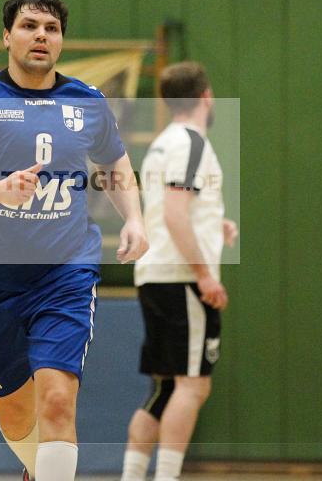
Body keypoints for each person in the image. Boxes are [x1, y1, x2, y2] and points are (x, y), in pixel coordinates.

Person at [0, 0, 148, 481]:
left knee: (58, 401)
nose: (41, 35)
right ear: (7, 36)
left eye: (51, 28)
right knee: (15, 418)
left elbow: (114, 163)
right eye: (29, 26)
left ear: (61, 40)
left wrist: (134, 217)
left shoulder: (86, 100)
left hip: (66, 272)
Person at [121, 62, 237, 481]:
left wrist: (214, 222)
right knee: (193, 385)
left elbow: (172, 207)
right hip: (180, 278)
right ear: (206, 96)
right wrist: (204, 274)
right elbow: (173, 213)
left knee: (166, 387)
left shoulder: (163, 143)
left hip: (156, 274)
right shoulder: (191, 143)